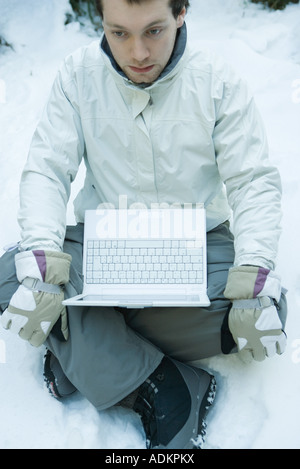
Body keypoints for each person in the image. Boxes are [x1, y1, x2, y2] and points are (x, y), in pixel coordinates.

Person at [0, 0, 287, 449]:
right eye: (119, 33)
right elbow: (47, 170)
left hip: (197, 247)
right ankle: (161, 384)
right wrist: (42, 264)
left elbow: (252, 181)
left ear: (181, 12)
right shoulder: (78, 76)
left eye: (153, 31)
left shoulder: (217, 80)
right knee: (10, 274)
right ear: (101, 21)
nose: (136, 53)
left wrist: (253, 275)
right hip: (102, 244)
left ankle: (85, 346)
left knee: (266, 308)